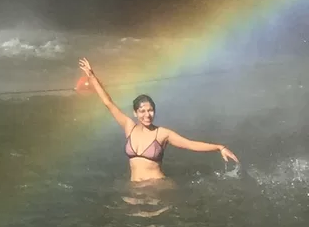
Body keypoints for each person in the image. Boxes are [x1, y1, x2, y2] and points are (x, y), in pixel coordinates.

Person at [78, 58, 239, 181]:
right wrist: (92, 77)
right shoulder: (129, 127)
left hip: (157, 188)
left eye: (150, 110)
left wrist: (219, 147)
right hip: (134, 188)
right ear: (135, 113)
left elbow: (190, 144)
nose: (147, 115)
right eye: (142, 111)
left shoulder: (162, 134)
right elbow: (108, 103)